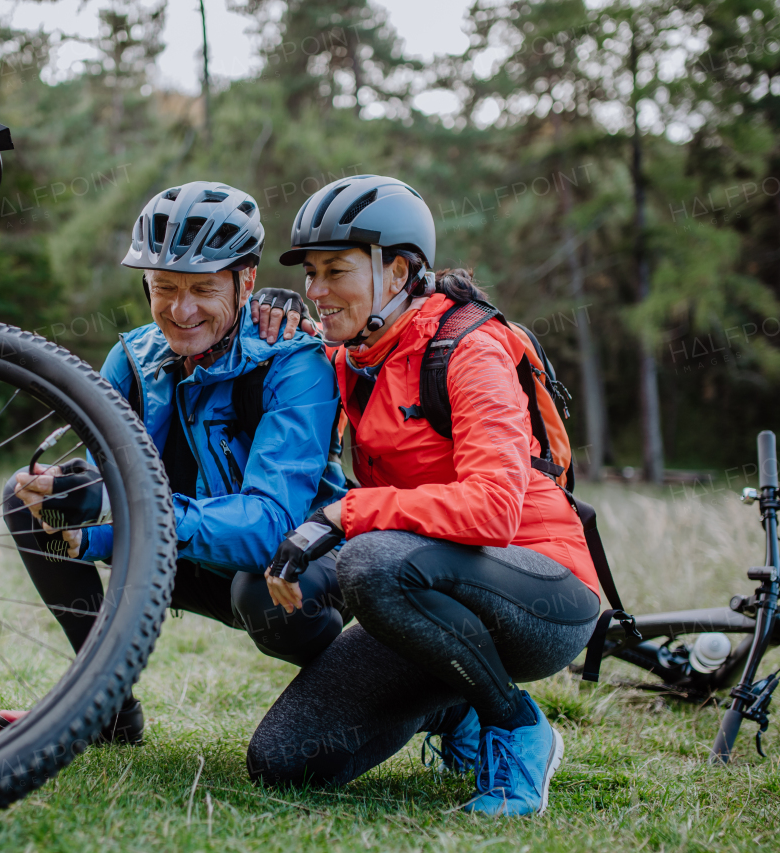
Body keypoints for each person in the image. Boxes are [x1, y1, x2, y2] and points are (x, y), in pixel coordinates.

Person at [245, 174, 602, 817]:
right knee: (282, 763)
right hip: (419, 583)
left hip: (543, 590)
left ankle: (518, 727)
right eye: (309, 276)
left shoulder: (469, 349)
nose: (317, 292)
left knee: (371, 560)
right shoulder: (346, 355)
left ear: (400, 270)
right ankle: (455, 707)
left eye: (335, 272)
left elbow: (494, 507)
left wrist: (345, 513)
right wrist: (264, 316)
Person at [0, 181, 350, 744]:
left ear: (247, 280)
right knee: (26, 500)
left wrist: (132, 508)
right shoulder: (131, 362)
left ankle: (391, 685)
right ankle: (103, 705)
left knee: (259, 594)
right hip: (190, 554)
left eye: (205, 289)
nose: (181, 311)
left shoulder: (295, 364)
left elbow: (270, 528)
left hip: (304, 563)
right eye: (164, 287)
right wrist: (76, 525)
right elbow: (110, 500)